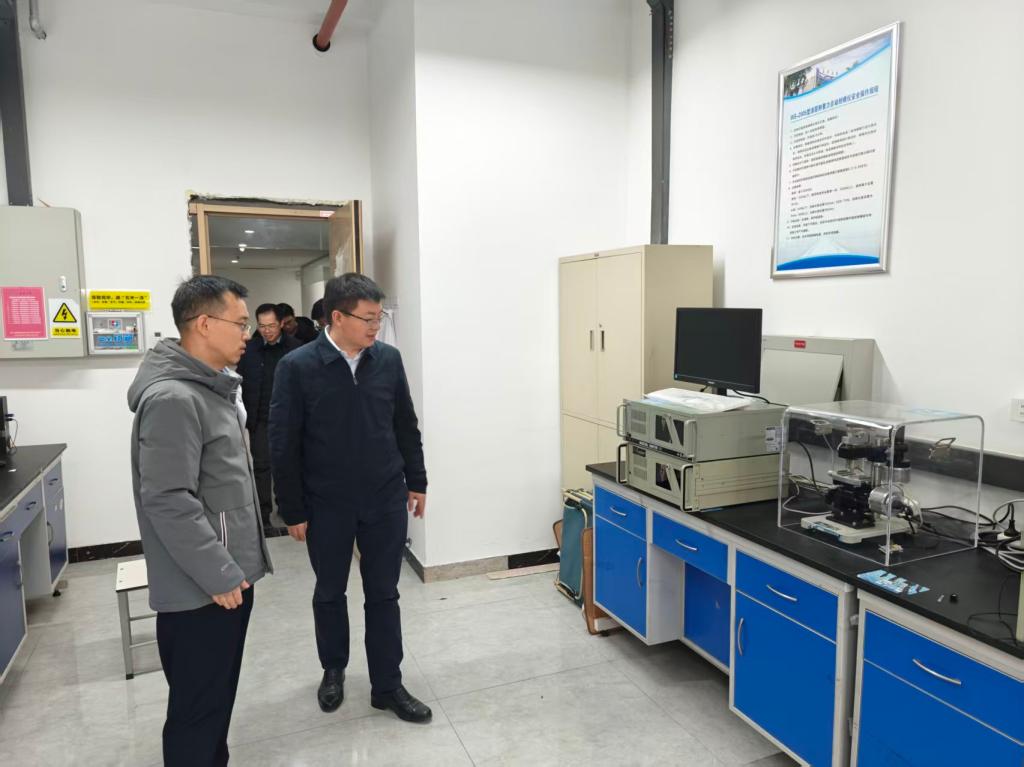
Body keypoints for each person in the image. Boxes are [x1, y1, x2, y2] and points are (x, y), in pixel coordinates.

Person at [269, 273, 430, 723]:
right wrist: (292, 509)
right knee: (329, 591)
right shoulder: (298, 366)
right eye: (368, 318)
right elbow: (283, 443)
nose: (376, 326)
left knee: (384, 594)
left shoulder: (388, 360)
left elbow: (405, 424)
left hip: (384, 498)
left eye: (380, 318)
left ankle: (388, 685)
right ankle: (333, 670)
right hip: (327, 504)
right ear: (336, 317)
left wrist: (417, 481)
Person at [127, 275, 273, 766]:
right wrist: (220, 572)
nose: (247, 334)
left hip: (225, 581)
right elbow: (168, 499)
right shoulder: (174, 399)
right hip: (203, 590)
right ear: (204, 324)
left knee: (213, 704)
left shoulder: (211, 389)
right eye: (240, 323)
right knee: (196, 712)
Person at [236, 303, 302, 533]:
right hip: (260, 419)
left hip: (289, 419)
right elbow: (240, 382)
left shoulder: (296, 349)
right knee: (262, 467)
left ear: (281, 323)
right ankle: (264, 517)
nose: (267, 331)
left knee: (288, 465)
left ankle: (287, 509)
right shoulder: (249, 349)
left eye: (271, 325)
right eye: (262, 326)